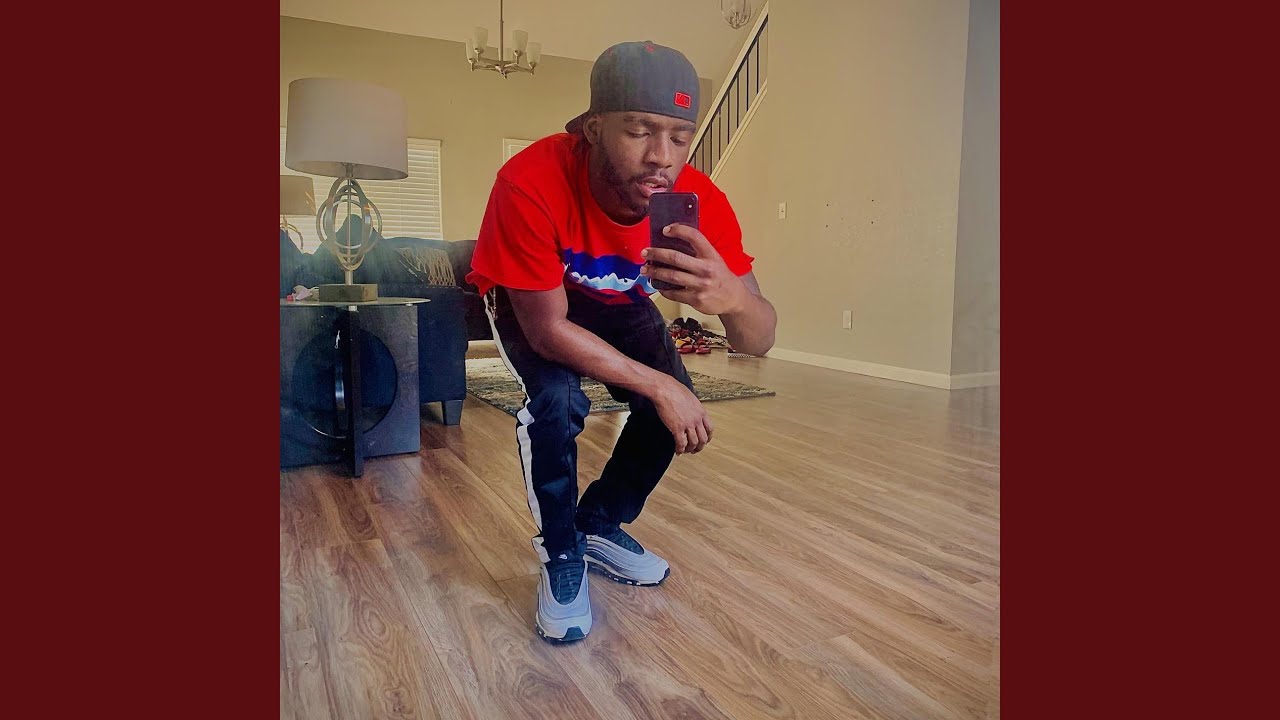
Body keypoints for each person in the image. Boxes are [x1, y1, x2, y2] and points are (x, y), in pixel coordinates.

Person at [467, 40, 777, 642]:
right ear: (593, 128)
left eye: (680, 137)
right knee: (558, 403)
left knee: (672, 407)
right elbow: (548, 331)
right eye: (639, 131)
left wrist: (734, 301)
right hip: (537, 300)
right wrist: (658, 384)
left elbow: (760, 340)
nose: (662, 157)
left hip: (617, 297)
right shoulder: (528, 181)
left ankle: (597, 523)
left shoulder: (700, 201)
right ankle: (562, 552)